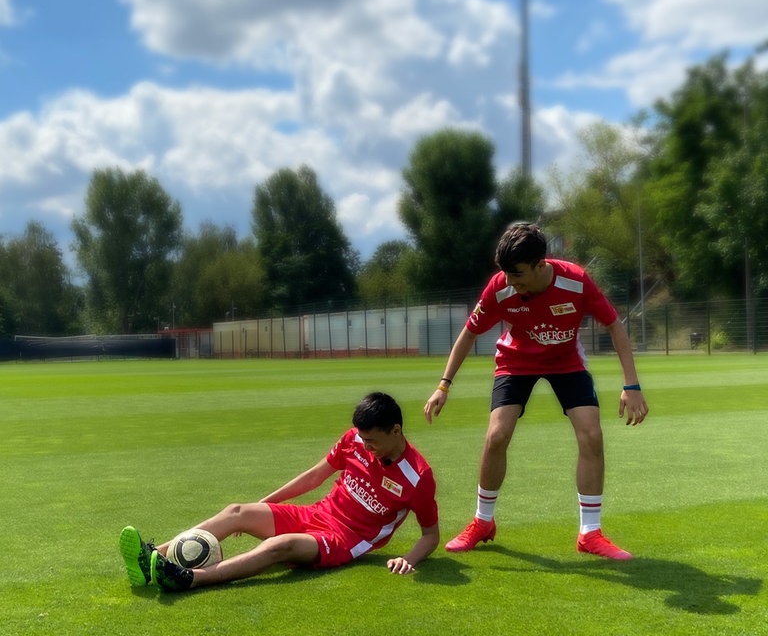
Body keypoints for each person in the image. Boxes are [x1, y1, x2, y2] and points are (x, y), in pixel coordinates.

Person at [424, 222, 648, 559]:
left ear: (541, 265)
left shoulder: (575, 281)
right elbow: (469, 333)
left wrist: (631, 385)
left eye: (518, 275)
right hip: (516, 361)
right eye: (507, 275)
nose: (511, 283)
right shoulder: (500, 287)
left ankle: (590, 533)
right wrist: (444, 385)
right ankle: (483, 522)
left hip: (566, 360)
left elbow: (614, 325)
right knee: (496, 435)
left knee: (592, 435)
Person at [120, 392, 439, 591]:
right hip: (316, 513)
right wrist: (259, 508)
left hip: (343, 541)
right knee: (236, 511)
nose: (366, 448)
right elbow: (314, 477)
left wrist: (408, 559)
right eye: (362, 440)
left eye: (372, 442)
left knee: (279, 545)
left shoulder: (418, 476)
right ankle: (151, 556)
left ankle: (188, 578)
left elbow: (430, 535)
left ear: (396, 431)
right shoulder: (353, 440)